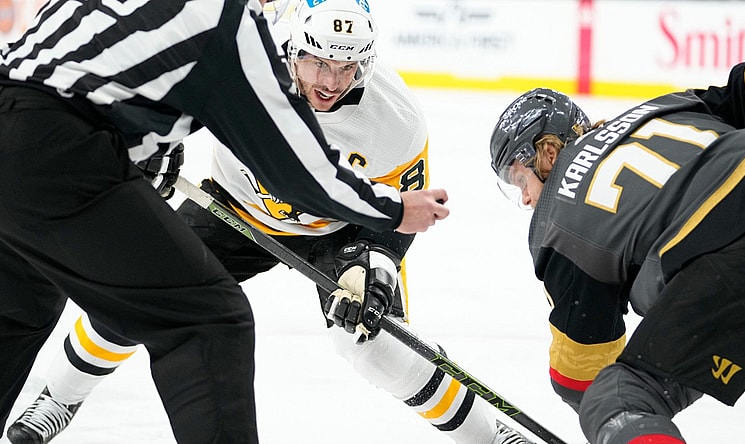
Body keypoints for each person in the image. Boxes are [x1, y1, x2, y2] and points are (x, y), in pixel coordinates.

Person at [4, 1, 529, 444]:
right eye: (318, 62)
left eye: (347, 67)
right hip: (236, 207)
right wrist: (154, 149)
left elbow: (393, 219)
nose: (331, 81)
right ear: (293, 48)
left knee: (376, 349)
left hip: (340, 230)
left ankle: (489, 434)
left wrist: (374, 265)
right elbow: (176, 94)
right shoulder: (251, 64)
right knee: (135, 294)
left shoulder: (397, 118)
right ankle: (58, 397)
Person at [487, 58, 745, 444]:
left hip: (738, 247)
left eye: (519, 180)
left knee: (618, 397)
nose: (526, 198)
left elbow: (579, 376)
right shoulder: (662, 108)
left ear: (547, 153)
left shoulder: (556, 224)